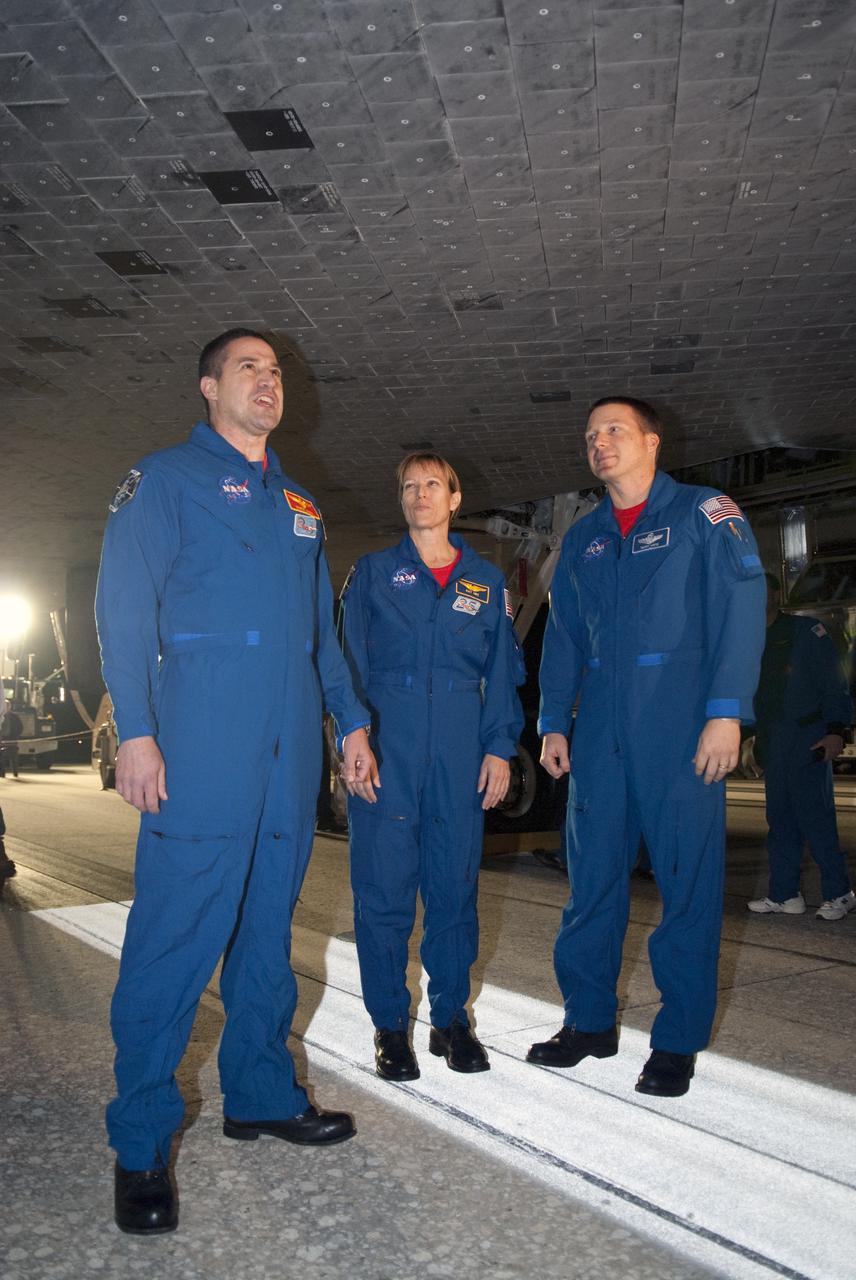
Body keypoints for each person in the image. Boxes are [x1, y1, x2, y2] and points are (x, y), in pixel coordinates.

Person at [96, 328, 378, 1235]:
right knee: (172, 943)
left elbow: (319, 634)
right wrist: (135, 733)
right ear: (209, 385)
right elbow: (124, 609)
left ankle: (258, 1092)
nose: (270, 380)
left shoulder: (299, 503)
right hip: (201, 746)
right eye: (250, 367)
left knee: (266, 935)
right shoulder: (163, 480)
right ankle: (140, 1144)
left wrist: (353, 723)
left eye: (278, 369)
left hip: (289, 749)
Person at [528, 396, 766, 1098]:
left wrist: (726, 714)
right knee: (591, 881)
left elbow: (740, 611)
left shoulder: (704, 513)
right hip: (602, 725)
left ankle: (677, 1041)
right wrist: (552, 721)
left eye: (615, 431)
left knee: (687, 887)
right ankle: (589, 1021)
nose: (600, 444)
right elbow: (564, 634)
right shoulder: (584, 537)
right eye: (592, 435)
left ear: (652, 442)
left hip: (680, 722)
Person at [341, 453, 524, 1081]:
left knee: (454, 890)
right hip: (388, 745)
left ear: (454, 498)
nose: (420, 495)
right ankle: (391, 1027)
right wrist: (352, 736)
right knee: (384, 893)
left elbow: (502, 673)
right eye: (410, 487)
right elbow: (347, 666)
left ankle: (451, 1021)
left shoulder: (485, 583)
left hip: (459, 747)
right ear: (402, 501)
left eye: (432, 486)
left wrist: (500, 746)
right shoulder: (371, 574)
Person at [748, 574, 854, 922]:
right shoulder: (747, 638)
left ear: (777, 594)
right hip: (773, 739)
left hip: (807, 736)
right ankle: (785, 893)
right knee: (779, 820)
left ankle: (839, 892)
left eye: (763, 589)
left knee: (816, 818)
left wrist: (837, 730)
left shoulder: (806, 632)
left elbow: (833, 682)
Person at [0, 706, 23, 778]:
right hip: (2, 739)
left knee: (14, 757)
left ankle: (15, 772)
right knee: (1, 758)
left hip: (12, 739)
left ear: (9, 707)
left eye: (7, 706)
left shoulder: (15, 717)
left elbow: (20, 727)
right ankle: (2, 773)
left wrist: (16, 736)